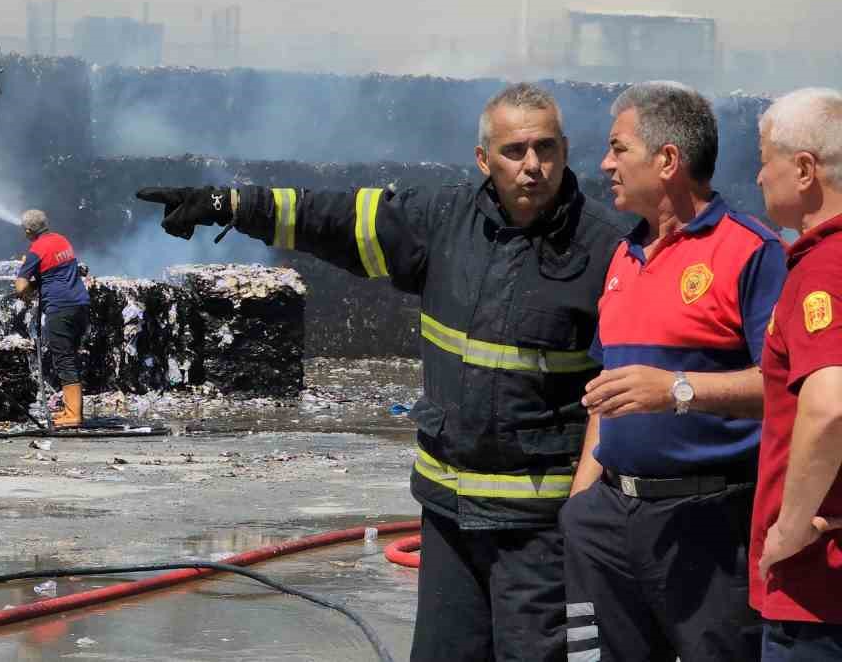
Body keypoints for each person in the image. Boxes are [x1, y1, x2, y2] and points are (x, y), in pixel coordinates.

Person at [137, 83, 628, 662]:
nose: (532, 167)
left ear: (566, 150)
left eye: (545, 149)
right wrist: (232, 207)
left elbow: (620, 397)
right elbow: (333, 218)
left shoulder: (606, 248)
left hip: (540, 534)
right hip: (448, 522)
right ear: (483, 160)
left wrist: (581, 515)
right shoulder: (442, 219)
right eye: (514, 152)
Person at [563, 81, 784, 662]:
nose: (605, 164)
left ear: (667, 161)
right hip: (608, 521)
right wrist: (581, 504)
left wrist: (678, 390)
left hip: (708, 523)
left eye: (619, 148)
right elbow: (606, 393)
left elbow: (785, 386)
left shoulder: (752, 252)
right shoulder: (622, 255)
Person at [748, 88, 842, 660]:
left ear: (804, 169)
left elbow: (830, 405)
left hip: (816, 594)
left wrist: (789, 530)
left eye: (765, 158)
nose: (758, 175)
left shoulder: (824, 268)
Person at [14, 208, 91, 428]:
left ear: (29, 230)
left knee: (64, 359)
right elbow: (57, 270)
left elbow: (20, 286)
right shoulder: (62, 240)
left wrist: (27, 287)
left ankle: (73, 415)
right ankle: (72, 412)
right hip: (80, 305)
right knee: (71, 358)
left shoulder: (35, 250)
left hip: (60, 308)